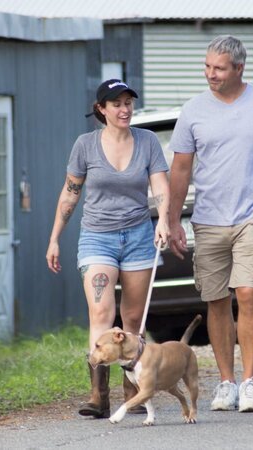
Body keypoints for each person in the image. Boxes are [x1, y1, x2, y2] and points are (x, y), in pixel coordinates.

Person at [168, 35, 253, 413]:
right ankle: (226, 382)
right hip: (207, 219)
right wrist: (174, 220)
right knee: (215, 299)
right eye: (207, 67)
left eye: (219, 68)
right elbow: (180, 168)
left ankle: (250, 382)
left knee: (248, 293)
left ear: (240, 68)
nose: (211, 75)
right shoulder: (193, 110)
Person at [46, 79, 170, 419]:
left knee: (132, 317)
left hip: (139, 238)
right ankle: (99, 396)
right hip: (97, 238)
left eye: (128, 102)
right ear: (101, 109)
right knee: (101, 314)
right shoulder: (85, 145)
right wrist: (55, 237)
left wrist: (163, 220)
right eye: (116, 103)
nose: (125, 109)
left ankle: (134, 389)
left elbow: (160, 183)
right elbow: (71, 192)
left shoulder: (147, 142)